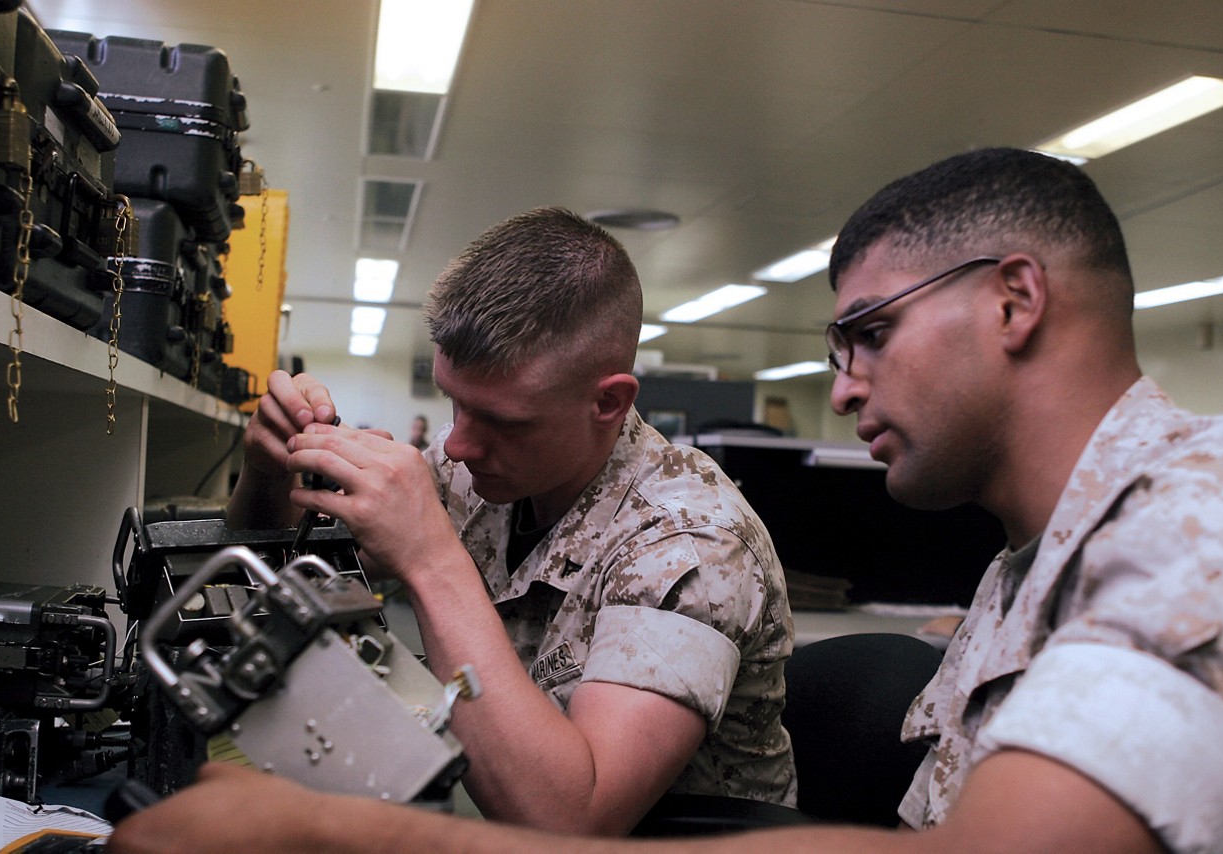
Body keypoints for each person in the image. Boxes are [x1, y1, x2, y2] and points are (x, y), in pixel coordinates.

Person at [108, 149, 1223, 853]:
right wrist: (269, 466)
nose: (842, 384)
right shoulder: (1026, 563)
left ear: (1014, 300)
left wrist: (337, 831)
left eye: (867, 333)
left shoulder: (1206, 508)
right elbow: (251, 570)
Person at [220, 206, 796, 835]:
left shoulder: (696, 544)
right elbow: (266, 588)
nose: (459, 445)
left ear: (608, 401)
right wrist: (271, 469)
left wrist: (430, 560)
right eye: (454, 403)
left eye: (503, 420)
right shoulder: (472, 466)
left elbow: (570, 824)